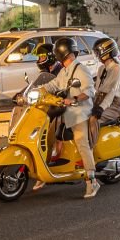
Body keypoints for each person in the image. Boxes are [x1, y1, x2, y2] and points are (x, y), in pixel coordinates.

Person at [40, 37, 100, 198]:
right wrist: (39, 91)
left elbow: (89, 91)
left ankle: (92, 181)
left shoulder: (80, 69)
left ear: (60, 53)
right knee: (47, 136)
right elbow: (54, 85)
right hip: (64, 112)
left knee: (82, 143)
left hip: (79, 113)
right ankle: (43, 172)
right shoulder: (64, 70)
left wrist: (73, 99)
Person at [91, 37, 120, 125]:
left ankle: (92, 139)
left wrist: (101, 108)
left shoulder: (116, 69)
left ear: (105, 52)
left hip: (113, 105)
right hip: (99, 101)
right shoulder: (101, 68)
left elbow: (111, 93)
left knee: (92, 120)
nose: (96, 55)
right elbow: (97, 89)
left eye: (97, 53)